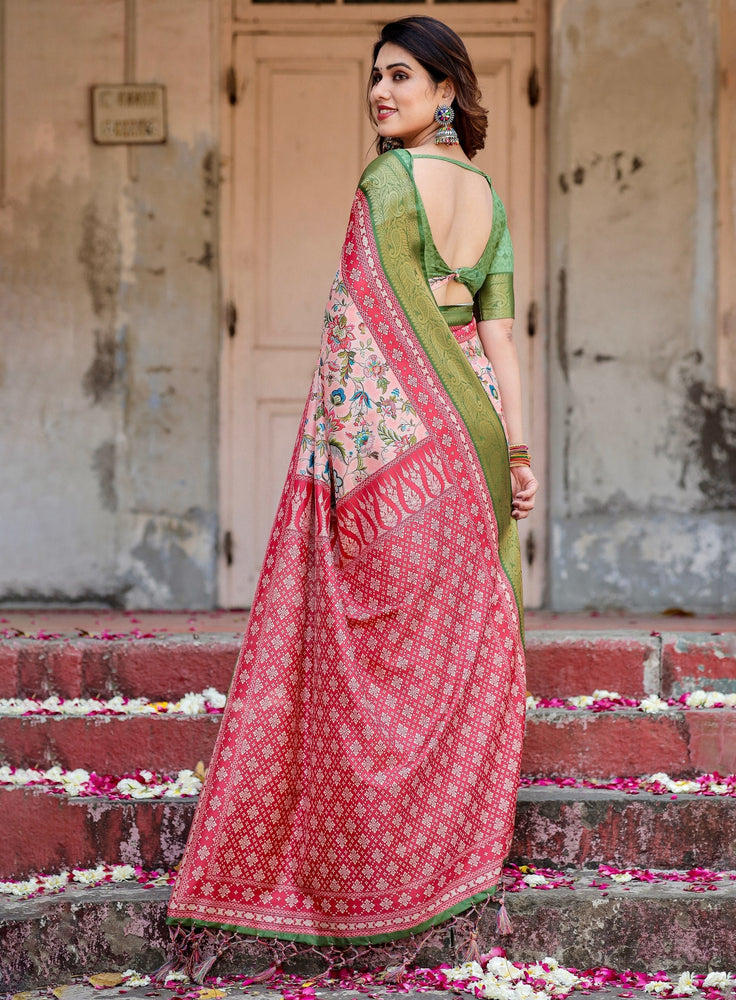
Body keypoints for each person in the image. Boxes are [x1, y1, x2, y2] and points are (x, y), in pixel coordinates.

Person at [166, 14, 538, 963]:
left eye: (401, 76)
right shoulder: (488, 197)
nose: (380, 91)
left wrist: (333, 472)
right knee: (443, 651)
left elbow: (356, 331)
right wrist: (518, 452)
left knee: (382, 654)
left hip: (397, 444)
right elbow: (499, 338)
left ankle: (375, 863)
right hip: (476, 435)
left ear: (446, 90)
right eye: (375, 76)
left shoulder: (387, 182)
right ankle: (442, 853)